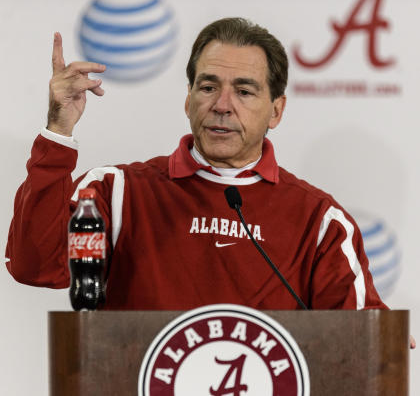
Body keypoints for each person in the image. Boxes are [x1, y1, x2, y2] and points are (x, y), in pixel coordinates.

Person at [3, 18, 397, 315]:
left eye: (243, 91)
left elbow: (360, 341)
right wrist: (58, 129)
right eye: (208, 87)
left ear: (276, 110)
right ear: (188, 99)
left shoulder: (321, 220)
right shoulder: (114, 190)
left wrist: (383, 345)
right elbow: (35, 268)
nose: (222, 105)